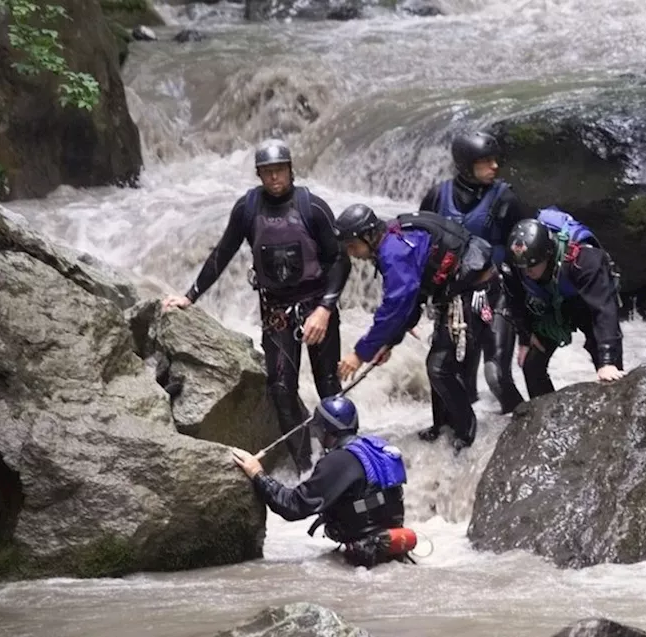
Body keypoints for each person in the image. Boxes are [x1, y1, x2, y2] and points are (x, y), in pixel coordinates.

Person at [163, 139, 350, 473]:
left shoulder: (313, 207)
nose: (274, 177)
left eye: (279, 170)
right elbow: (223, 253)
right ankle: (306, 466)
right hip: (276, 311)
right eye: (267, 172)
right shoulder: (248, 209)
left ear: (291, 170)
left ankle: (344, 460)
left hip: (316, 307)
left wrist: (325, 308)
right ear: (259, 175)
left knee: (329, 389)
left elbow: (339, 260)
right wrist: (189, 296)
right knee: (281, 390)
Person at [333, 204, 496, 454]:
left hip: (475, 289)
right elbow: (411, 302)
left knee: (441, 367)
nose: (352, 254)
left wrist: (360, 354)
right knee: (438, 365)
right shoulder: (393, 239)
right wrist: (388, 343)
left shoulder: (394, 251)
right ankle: (441, 426)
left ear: (367, 235)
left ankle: (466, 431)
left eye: (353, 246)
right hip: (453, 289)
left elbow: (396, 306)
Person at [229, 396, 418, 569]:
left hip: (364, 558)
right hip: (394, 547)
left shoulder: (339, 461)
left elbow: (292, 506)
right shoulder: (378, 448)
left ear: (325, 430)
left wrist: (257, 473)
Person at [420, 131, 536, 413]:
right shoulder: (438, 197)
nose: (494, 166)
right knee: (452, 377)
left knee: (495, 374)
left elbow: (524, 257)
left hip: (497, 294)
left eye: (495, 160)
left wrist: (526, 326)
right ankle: (461, 438)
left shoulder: (506, 199)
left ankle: (524, 426)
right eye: (485, 161)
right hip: (456, 298)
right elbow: (423, 248)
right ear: (465, 164)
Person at [504, 210, 625, 397]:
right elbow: (515, 300)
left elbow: (604, 310)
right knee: (532, 365)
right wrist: (525, 335)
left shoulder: (585, 260)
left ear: (548, 254)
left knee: (610, 371)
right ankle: (543, 417)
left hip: (585, 303)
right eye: (522, 267)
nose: (526, 272)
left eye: (532, 266)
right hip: (549, 304)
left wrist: (607, 360)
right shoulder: (517, 262)